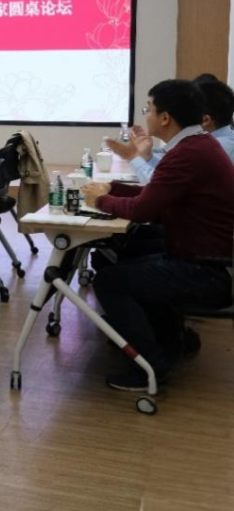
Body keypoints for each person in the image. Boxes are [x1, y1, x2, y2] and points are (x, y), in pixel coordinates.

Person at [83, 80, 234, 391]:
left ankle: (149, 366)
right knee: (126, 257)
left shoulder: (189, 153)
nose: (146, 115)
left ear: (165, 117)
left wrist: (99, 200)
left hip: (205, 270)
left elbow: (143, 210)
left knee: (109, 281)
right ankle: (171, 342)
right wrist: (113, 188)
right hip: (206, 258)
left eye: (148, 109)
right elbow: (157, 193)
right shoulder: (198, 145)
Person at [106, 77, 234, 182]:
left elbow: (161, 185)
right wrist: (147, 156)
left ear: (205, 120)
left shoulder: (213, 145)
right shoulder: (204, 142)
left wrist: (132, 157)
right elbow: (170, 172)